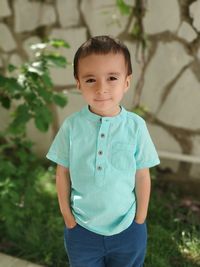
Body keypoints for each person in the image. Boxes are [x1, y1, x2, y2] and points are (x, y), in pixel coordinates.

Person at [46, 35, 160, 267]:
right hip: (82, 230)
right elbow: (62, 174)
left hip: (128, 229)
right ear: (78, 83)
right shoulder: (71, 126)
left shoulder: (135, 126)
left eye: (112, 78)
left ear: (126, 82)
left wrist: (140, 220)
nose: (101, 88)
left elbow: (141, 174)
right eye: (90, 80)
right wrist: (68, 219)